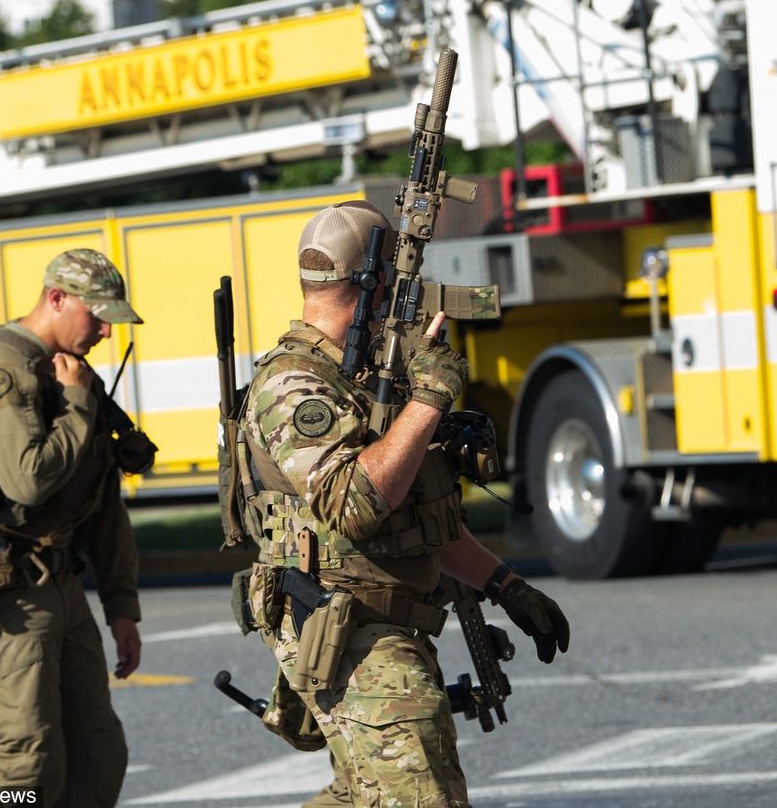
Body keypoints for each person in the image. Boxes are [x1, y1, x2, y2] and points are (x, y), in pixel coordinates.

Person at [242, 200, 570, 807]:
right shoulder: (292, 385)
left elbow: (420, 525)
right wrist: (430, 400)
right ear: (374, 283)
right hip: (348, 634)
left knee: (362, 795)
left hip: (389, 626)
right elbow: (355, 504)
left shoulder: (365, 382)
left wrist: (507, 586)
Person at [0, 248, 144, 806]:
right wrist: (79, 406)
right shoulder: (1, 366)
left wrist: (121, 608)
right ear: (57, 299)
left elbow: (101, 500)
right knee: (26, 764)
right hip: (13, 594)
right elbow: (27, 480)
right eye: (98, 316)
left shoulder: (71, 373)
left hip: (65, 589)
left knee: (98, 756)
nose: (107, 333)